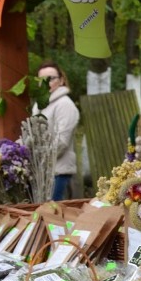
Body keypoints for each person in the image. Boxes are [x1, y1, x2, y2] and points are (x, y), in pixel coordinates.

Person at [32, 62, 80, 201]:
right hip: (43, 172)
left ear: (61, 80)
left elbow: (61, 142)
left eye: (51, 78)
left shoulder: (64, 104)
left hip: (59, 172)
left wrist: (37, 159)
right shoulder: (39, 104)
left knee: (56, 218)